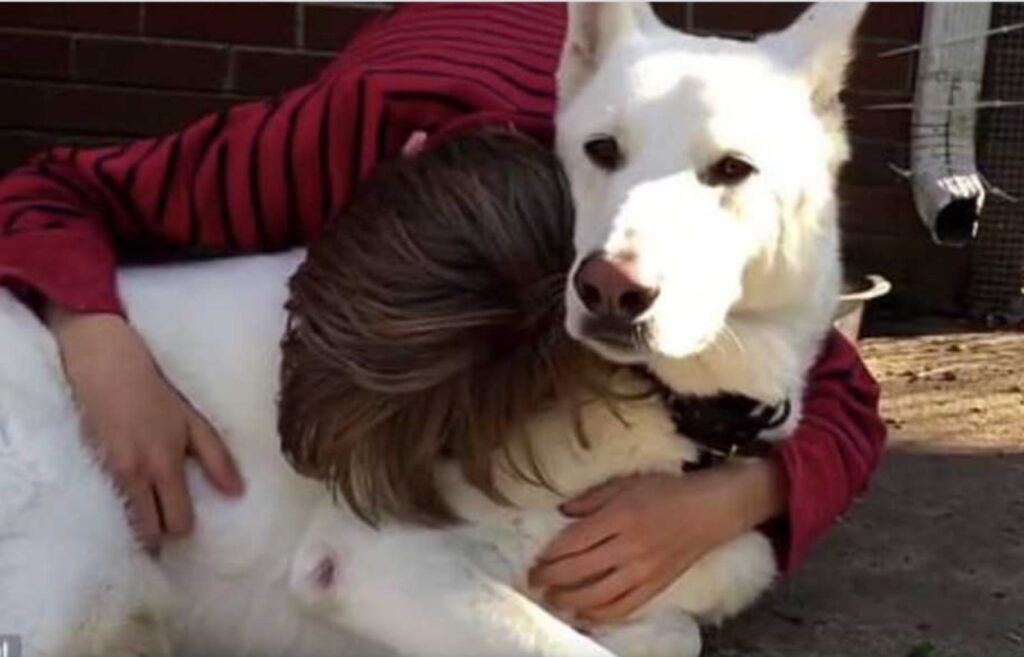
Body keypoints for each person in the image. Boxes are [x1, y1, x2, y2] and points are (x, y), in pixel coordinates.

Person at [0, 3, 885, 624]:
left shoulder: (621, 225)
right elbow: (43, 191)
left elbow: (838, 391)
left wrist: (739, 492)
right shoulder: (323, 141)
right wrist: (97, 343)